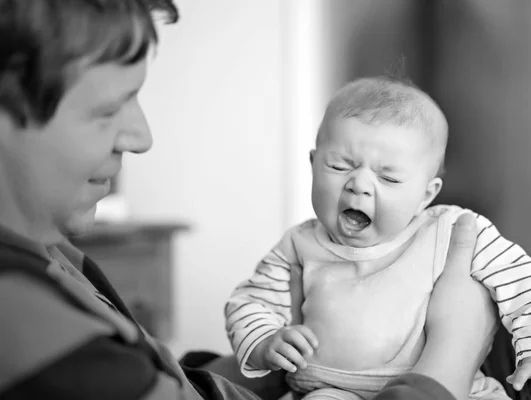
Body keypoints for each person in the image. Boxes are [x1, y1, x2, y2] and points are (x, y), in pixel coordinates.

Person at [0, 1, 501, 400]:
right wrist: (455, 346)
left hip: (304, 374)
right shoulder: (32, 330)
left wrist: (279, 359)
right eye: (107, 109)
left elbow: (167, 374)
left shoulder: (47, 251)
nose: (141, 135)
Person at [225, 77, 531, 400]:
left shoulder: (453, 230)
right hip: (330, 387)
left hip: (456, 389)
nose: (359, 184)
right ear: (313, 164)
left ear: (426, 194)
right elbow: (249, 303)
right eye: (339, 166)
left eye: (388, 179)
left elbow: (525, 282)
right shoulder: (298, 245)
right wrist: (264, 341)